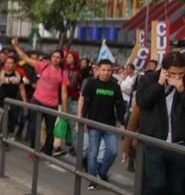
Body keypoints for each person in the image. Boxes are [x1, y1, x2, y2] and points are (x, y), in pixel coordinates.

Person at [135, 51, 185, 195]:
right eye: (173, 73)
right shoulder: (149, 79)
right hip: (154, 141)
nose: (177, 77)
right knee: (157, 184)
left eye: (181, 73)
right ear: (164, 70)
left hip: (178, 144)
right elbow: (142, 102)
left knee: (176, 187)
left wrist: (181, 90)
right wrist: (159, 85)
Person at [11, 38, 68, 159]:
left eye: (58, 57)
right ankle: (33, 149)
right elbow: (25, 59)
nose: (55, 59)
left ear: (61, 59)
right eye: (54, 56)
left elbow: (64, 92)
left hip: (51, 105)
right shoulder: (43, 66)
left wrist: (64, 111)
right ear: (51, 57)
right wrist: (16, 46)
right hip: (37, 101)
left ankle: (47, 152)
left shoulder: (63, 74)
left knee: (49, 131)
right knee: (33, 127)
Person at [78, 59, 126, 190]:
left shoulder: (115, 86)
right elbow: (85, 102)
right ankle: (92, 179)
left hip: (109, 125)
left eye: (109, 70)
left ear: (112, 71)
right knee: (93, 153)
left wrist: (122, 123)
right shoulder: (91, 84)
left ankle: (102, 172)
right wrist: (83, 119)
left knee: (113, 152)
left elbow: (120, 105)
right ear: (98, 70)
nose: (106, 73)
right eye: (103, 70)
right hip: (93, 124)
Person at [0, 55, 28, 139]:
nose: (8, 65)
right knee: (4, 118)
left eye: (10, 63)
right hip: (1, 99)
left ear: (14, 65)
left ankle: (9, 135)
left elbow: (22, 89)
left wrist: (24, 102)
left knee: (12, 119)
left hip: (12, 100)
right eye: (6, 63)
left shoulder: (18, 75)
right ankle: (2, 135)